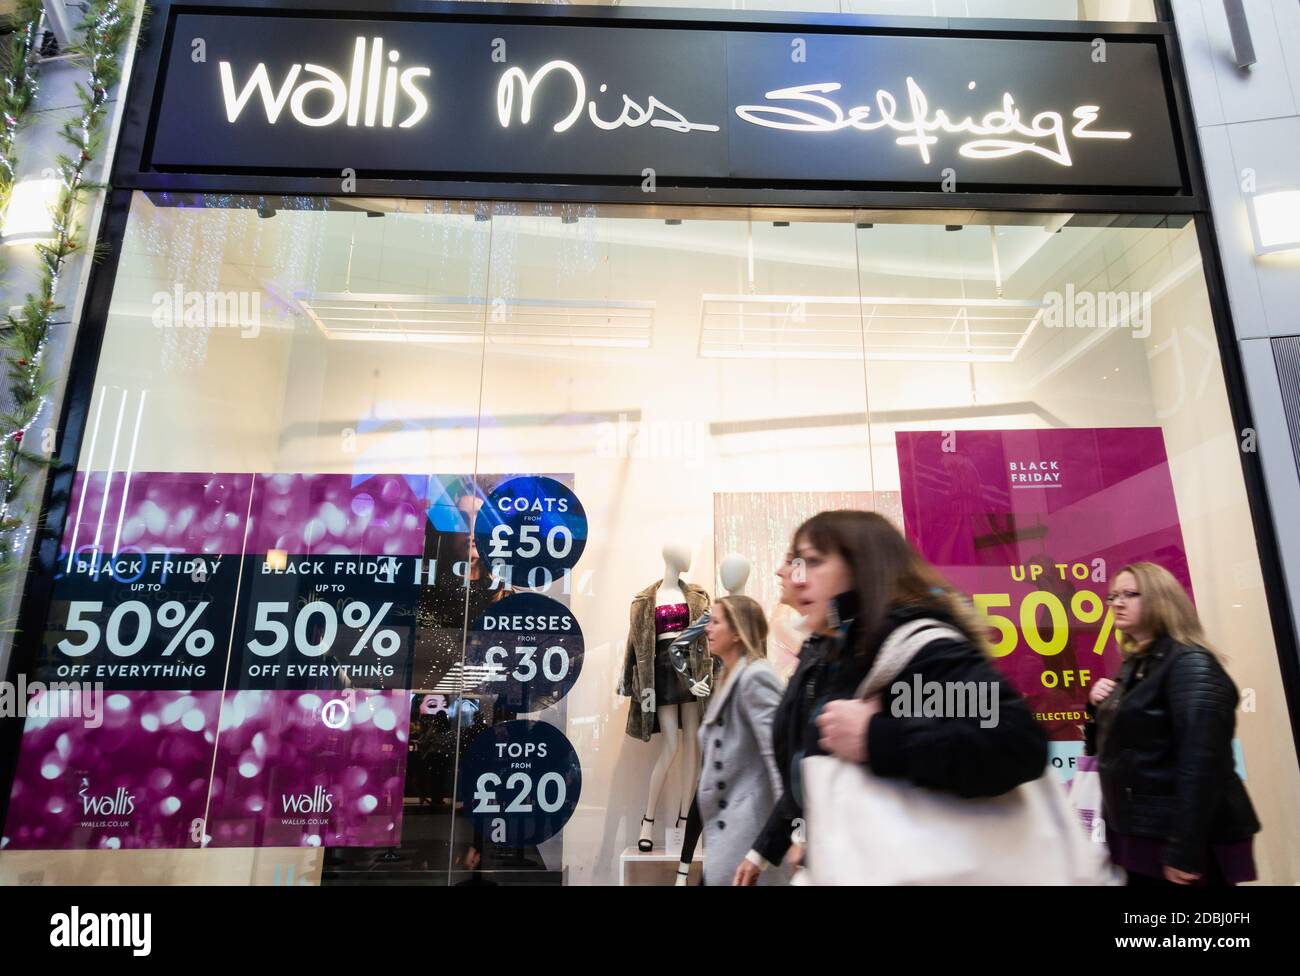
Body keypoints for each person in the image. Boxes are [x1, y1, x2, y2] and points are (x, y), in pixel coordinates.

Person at [735, 509, 1048, 885]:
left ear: (863, 566)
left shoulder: (911, 650)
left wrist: (875, 737)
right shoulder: (846, 651)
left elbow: (1015, 742)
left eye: (813, 562)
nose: (798, 579)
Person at [1086, 562, 1259, 886]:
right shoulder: (1136, 663)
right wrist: (1097, 707)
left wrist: (1184, 847)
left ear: (1161, 599)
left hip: (1177, 836)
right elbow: (1111, 750)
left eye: (1130, 594)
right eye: (1112, 597)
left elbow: (1202, 764)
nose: (1117, 603)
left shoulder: (1190, 664)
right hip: (1140, 832)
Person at [688, 596, 785, 886]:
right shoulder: (727, 676)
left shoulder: (756, 677)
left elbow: (778, 757)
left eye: (716, 622)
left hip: (747, 835)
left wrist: (787, 834)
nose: (707, 629)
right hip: (729, 833)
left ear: (737, 631)